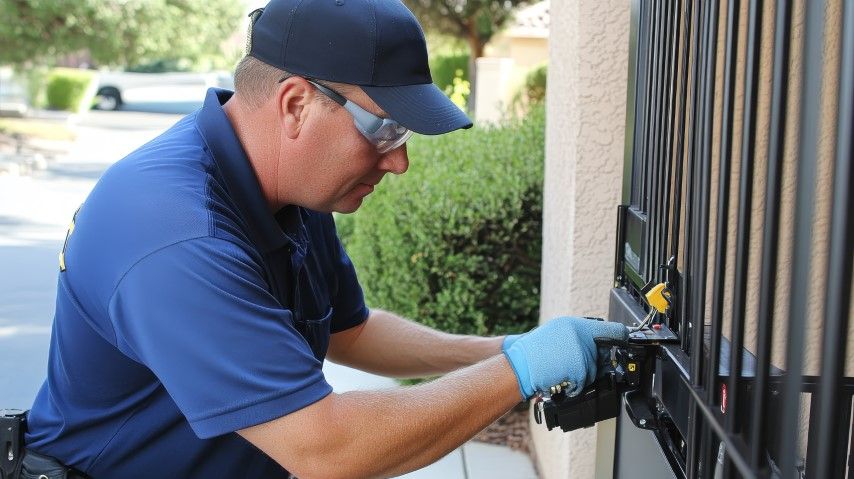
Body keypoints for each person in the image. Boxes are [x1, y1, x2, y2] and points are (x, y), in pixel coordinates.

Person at [23, 0, 628, 477]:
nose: (399, 164)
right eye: (385, 129)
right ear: (295, 105)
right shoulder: (176, 233)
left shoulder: (287, 188)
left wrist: (502, 349)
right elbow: (329, 450)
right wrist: (522, 371)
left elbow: (349, 331)